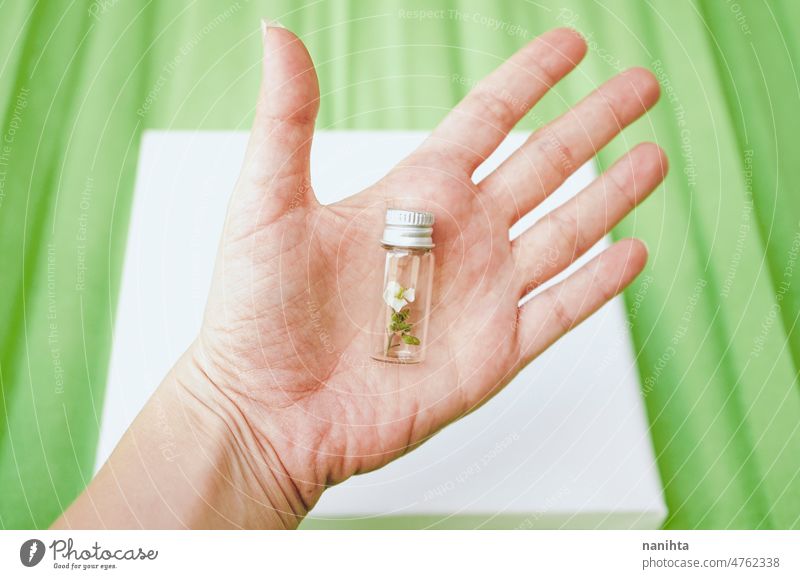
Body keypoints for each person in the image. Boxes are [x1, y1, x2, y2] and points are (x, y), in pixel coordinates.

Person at [53, 23, 666, 529]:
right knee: (401, 317)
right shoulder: (398, 262)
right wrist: (241, 411)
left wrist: (245, 428)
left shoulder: (412, 260)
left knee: (403, 317)